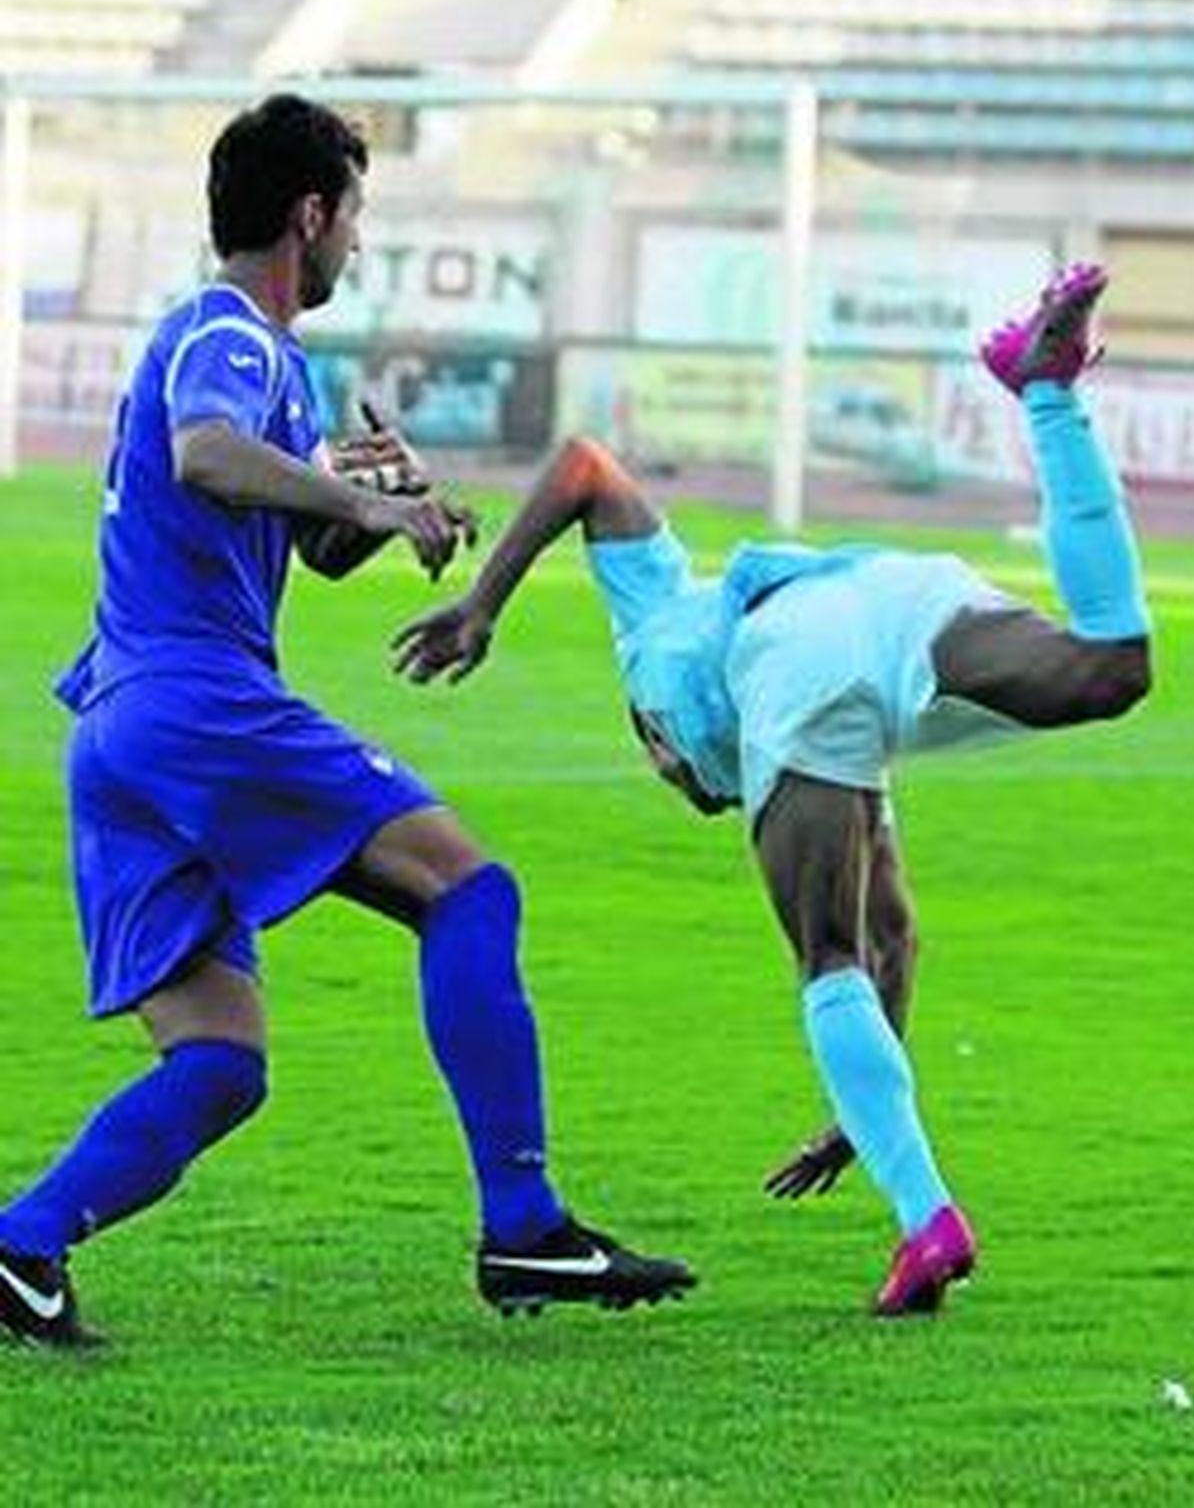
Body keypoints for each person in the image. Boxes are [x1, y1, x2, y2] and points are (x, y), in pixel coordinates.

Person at [0, 94, 694, 1349]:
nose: (357, 246)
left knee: (219, 1060)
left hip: (118, 729)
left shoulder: (276, 367)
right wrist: (364, 509)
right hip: (195, 700)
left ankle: (20, 1243)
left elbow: (306, 542)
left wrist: (371, 496)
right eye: (355, 218)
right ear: (308, 215)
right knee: (468, 889)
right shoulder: (232, 333)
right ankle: (525, 1220)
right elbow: (207, 453)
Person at [394, 261, 1152, 1316]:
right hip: (886, 596)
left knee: (820, 959)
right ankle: (1047, 391)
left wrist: (483, 605)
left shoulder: (654, 624)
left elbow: (582, 463)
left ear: (653, 738)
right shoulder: (820, 762)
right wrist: (865, 1103)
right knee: (1111, 667)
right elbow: (899, 937)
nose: (683, 786)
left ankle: (929, 1217)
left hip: (794, 650)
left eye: (668, 769)